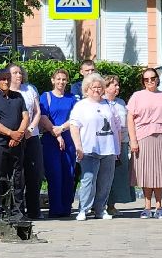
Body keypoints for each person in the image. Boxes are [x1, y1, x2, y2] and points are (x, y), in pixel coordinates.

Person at [64, 72, 118, 221]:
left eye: (99, 87)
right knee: (88, 180)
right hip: (89, 149)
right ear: (86, 89)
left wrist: (117, 148)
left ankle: (100, 209)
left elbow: (117, 126)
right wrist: (78, 147)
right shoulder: (81, 106)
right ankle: (83, 209)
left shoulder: (109, 104)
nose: (96, 90)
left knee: (105, 182)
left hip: (108, 149)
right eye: (93, 87)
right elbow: (74, 126)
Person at [127, 68, 162, 219]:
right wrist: (133, 140)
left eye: (152, 78)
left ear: (157, 79)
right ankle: (147, 207)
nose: (150, 81)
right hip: (143, 138)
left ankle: (159, 207)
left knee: (160, 173)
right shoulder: (137, 96)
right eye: (146, 79)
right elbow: (130, 119)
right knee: (146, 173)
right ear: (143, 82)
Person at [0, 68, 29, 218]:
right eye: (3, 79)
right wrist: (11, 133)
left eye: (8, 79)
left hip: (17, 144)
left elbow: (25, 117)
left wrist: (18, 136)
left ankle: (17, 209)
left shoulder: (18, 97)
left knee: (17, 178)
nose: (6, 82)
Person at [39, 68, 77, 218]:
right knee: (54, 174)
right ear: (53, 80)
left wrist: (61, 129)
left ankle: (66, 209)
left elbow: (75, 118)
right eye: (58, 79)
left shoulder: (72, 98)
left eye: (64, 79)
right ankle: (55, 209)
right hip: (50, 139)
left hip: (69, 139)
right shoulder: (46, 96)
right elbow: (43, 117)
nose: (61, 82)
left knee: (68, 173)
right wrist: (56, 134)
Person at [9, 64, 44, 220]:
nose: (19, 75)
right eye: (15, 73)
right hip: (15, 137)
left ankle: (34, 210)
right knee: (18, 176)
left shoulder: (30, 89)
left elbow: (37, 112)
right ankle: (18, 210)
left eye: (20, 72)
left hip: (32, 136)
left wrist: (30, 129)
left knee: (34, 174)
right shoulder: (7, 92)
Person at [104, 75, 135, 216]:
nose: (118, 88)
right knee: (104, 175)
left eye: (118, 85)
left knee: (118, 175)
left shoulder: (121, 102)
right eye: (114, 85)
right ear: (106, 87)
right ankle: (98, 205)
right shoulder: (101, 102)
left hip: (122, 143)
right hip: (106, 144)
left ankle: (111, 205)